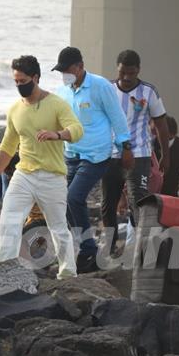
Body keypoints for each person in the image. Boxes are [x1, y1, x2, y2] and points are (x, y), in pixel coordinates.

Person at [0, 55, 83, 279]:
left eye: (23, 81)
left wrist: (57, 134)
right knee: (9, 219)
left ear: (36, 77)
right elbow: (8, 145)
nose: (19, 86)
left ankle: (68, 273)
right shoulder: (14, 110)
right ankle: (6, 269)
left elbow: (77, 129)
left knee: (58, 227)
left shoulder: (56, 104)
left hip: (52, 176)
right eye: (16, 82)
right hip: (24, 174)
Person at [54, 46, 133, 273]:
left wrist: (125, 146)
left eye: (67, 69)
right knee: (62, 201)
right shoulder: (63, 91)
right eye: (61, 71)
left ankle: (88, 249)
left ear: (80, 67)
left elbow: (117, 118)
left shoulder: (100, 86)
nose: (64, 74)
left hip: (97, 155)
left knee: (74, 197)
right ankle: (80, 245)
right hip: (70, 154)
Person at [101, 50, 170, 252]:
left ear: (138, 70)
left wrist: (166, 154)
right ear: (117, 69)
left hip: (139, 154)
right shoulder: (107, 90)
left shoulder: (149, 92)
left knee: (137, 199)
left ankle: (142, 247)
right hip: (111, 155)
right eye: (123, 72)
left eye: (131, 73)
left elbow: (161, 124)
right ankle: (110, 247)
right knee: (108, 203)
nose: (127, 77)